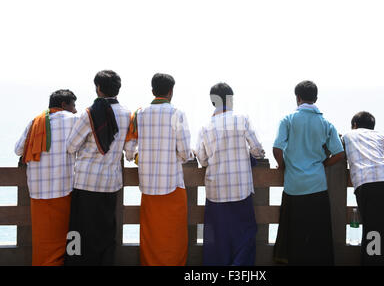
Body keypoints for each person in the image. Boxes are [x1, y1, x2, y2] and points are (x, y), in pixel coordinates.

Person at [272, 80, 345, 265]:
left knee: (293, 233)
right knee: (317, 235)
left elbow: (277, 148)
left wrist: (282, 166)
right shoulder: (325, 123)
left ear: (297, 98)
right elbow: (339, 153)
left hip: (293, 186)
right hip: (317, 185)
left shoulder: (288, 120)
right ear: (316, 98)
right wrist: (323, 164)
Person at [64, 70, 132, 266]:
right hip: (111, 183)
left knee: (78, 232)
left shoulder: (89, 114)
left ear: (98, 88)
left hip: (86, 182)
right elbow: (128, 147)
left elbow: (71, 146)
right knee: (106, 233)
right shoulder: (127, 114)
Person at [195, 82, 265, 266]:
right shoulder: (242, 119)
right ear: (231, 100)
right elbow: (257, 149)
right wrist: (253, 156)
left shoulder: (205, 127)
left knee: (215, 241)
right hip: (240, 189)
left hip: (215, 193)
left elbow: (202, 160)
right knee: (244, 237)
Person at [125, 73, 191, 266]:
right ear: (171, 91)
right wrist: (172, 157)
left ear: (153, 91)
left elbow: (129, 151)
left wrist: (141, 158)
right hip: (172, 184)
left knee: (151, 235)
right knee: (174, 236)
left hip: (148, 186)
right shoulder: (177, 114)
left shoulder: (139, 114)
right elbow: (186, 153)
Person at [14, 89, 78, 266]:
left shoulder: (35, 121)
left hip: (38, 191)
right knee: (63, 237)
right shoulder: (73, 120)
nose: (75, 110)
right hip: (63, 188)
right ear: (64, 105)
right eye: (73, 105)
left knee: (42, 239)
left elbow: (18, 149)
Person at [342, 111, 384, 266]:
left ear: (354, 125)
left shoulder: (347, 136)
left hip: (364, 183)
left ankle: (371, 262)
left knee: (371, 228)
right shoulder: (381, 137)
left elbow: (338, 154)